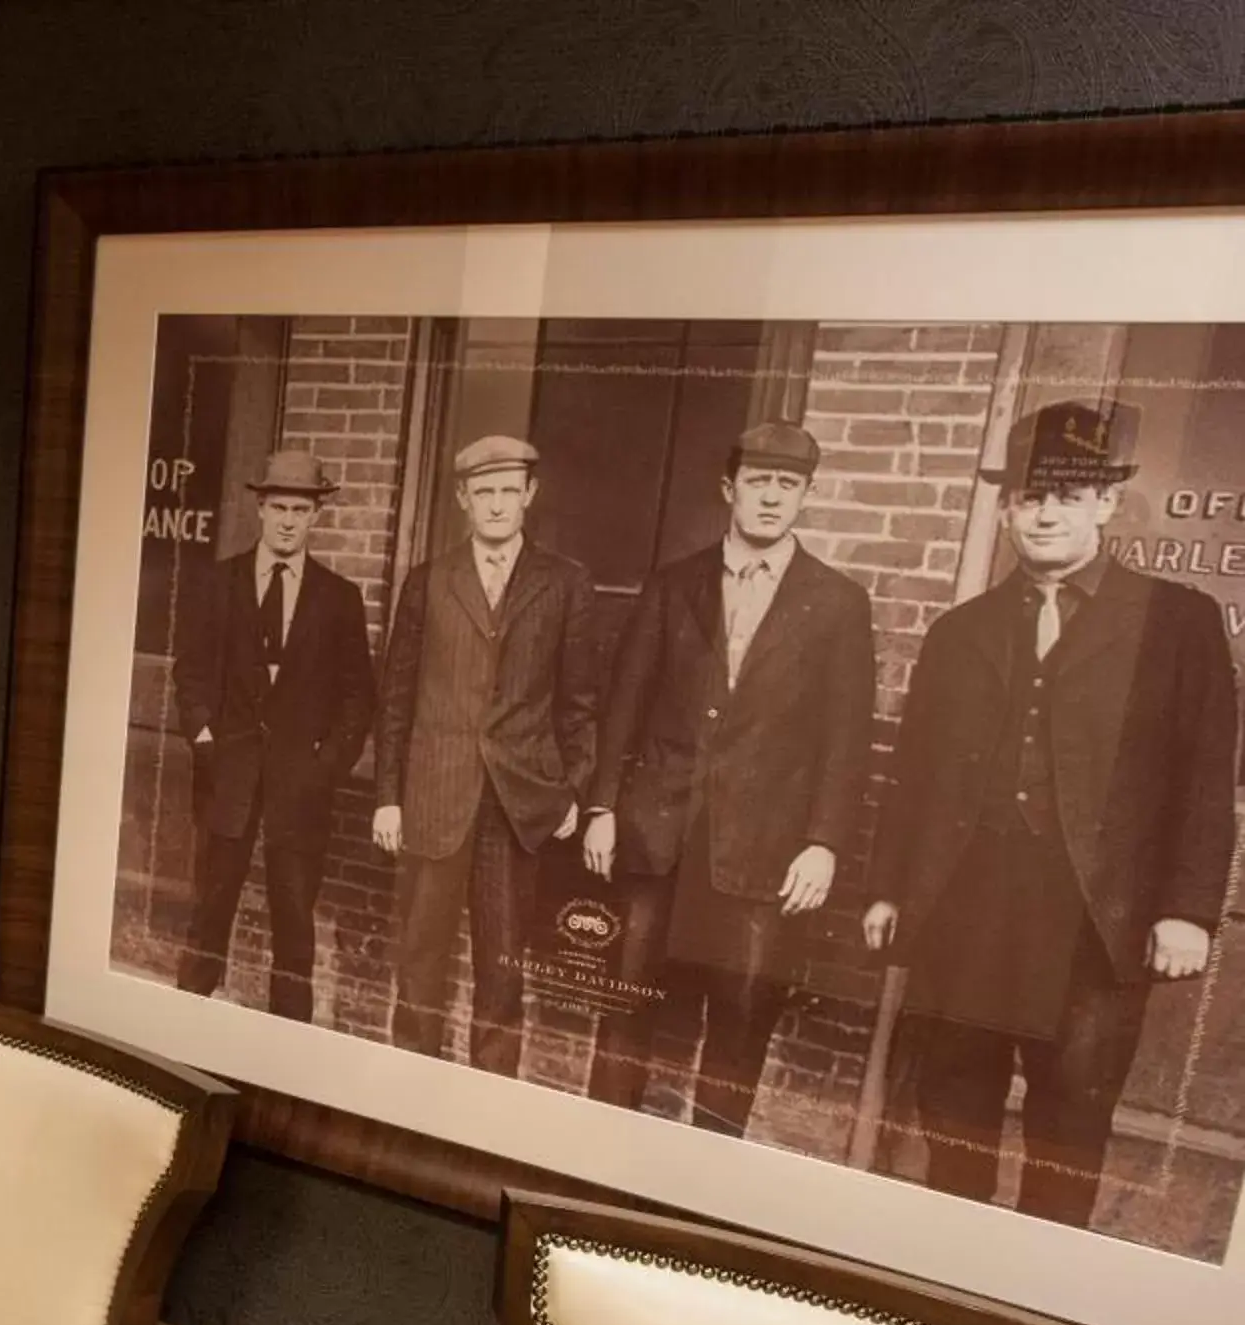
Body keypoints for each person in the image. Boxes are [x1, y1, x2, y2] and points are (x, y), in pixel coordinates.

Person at [865, 399, 1238, 1227]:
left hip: (1093, 919)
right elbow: (917, 775)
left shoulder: (1176, 623)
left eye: (1068, 495)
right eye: (1030, 496)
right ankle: (953, 1254)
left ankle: (1038, 1274)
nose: (1045, 512)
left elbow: (1205, 783)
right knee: (954, 1098)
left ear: (1106, 504)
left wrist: (1186, 911)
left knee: (1071, 1115)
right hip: (968, 907)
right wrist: (891, 888)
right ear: (1005, 509)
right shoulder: (961, 631)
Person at [579, 422, 874, 1134]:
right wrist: (602, 808)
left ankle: (711, 1166)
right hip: (658, 835)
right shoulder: (674, 584)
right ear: (728, 490)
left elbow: (846, 738)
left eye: (788, 485)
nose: (771, 498)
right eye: (758, 482)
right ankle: (597, 1150)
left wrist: (824, 842)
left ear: (805, 495)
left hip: (766, 852)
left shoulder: (836, 602)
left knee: (742, 1017)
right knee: (627, 1003)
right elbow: (625, 702)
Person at [373, 435, 597, 1074]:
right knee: (420, 961)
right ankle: (410, 1087)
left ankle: (488, 1101)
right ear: (462, 501)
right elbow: (397, 699)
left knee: (503, 971)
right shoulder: (429, 582)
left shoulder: (565, 584)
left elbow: (580, 704)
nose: (497, 506)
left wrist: (570, 792)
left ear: (530, 496)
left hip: (515, 807)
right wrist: (389, 797)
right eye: (483, 493)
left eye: (509, 491)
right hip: (433, 799)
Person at [171, 450, 376, 1020]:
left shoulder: (339, 599)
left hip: (300, 784)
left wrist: (326, 767)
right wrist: (204, 735)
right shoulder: (218, 582)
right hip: (226, 774)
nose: (289, 520)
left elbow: (359, 698)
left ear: (317, 516)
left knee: (294, 918)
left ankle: (289, 1038)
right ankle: (183, 1022)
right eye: (279, 506)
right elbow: (189, 669)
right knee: (210, 907)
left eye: (301, 509)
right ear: (260, 508)